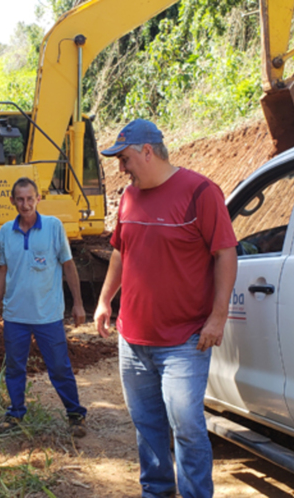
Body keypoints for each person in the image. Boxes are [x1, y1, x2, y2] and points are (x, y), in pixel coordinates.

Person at [94, 119, 238, 498]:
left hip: (184, 340)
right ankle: (156, 492)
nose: (121, 168)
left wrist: (218, 316)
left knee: (187, 427)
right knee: (147, 426)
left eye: (124, 159)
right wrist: (105, 300)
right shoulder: (129, 197)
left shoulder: (200, 193)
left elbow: (225, 253)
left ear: (147, 151)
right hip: (133, 340)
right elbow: (120, 253)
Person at [0, 177, 88, 437]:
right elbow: (2, 270)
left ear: (38, 199)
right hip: (15, 316)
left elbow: (68, 265)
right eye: (20, 199)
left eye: (30, 198)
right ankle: (16, 413)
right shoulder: (5, 232)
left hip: (48, 315)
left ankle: (75, 414)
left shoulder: (54, 227)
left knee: (59, 367)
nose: (25, 204)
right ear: (12, 201)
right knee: (14, 367)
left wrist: (78, 304)